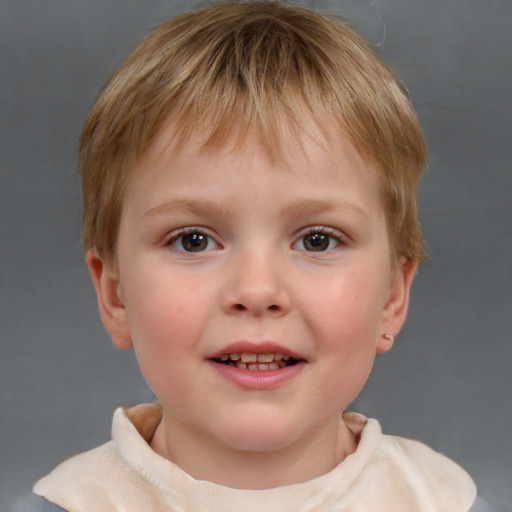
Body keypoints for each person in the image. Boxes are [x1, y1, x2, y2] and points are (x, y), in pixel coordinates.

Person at [29, 2, 502, 511]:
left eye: (317, 240)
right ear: (115, 295)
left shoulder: (442, 501)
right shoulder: (70, 503)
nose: (256, 291)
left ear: (391, 295)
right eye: (194, 240)